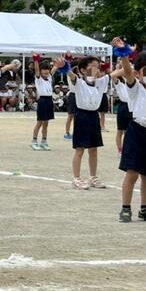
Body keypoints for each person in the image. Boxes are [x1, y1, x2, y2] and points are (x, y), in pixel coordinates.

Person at [112, 39, 146, 222]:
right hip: (136, 132)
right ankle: (125, 209)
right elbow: (127, 71)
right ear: (138, 74)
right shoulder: (136, 88)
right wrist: (124, 54)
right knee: (132, 173)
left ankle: (145, 209)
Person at [62, 54, 109, 190]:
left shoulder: (100, 82)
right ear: (83, 70)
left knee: (93, 149)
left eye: (97, 67)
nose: (96, 69)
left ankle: (93, 177)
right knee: (80, 149)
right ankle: (76, 178)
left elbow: (117, 73)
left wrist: (126, 55)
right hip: (82, 116)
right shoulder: (79, 82)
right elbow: (71, 74)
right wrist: (66, 65)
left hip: (94, 116)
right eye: (92, 67)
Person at [30, 54, 57, 151]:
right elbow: (37, 70)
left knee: (46, 123)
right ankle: (34, 141)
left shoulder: (49, 77)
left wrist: (59, 62)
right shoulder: (38, 79)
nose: (46, 71)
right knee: (40, 122)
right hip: (42, 101)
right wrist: (36, 60)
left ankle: (44, 141)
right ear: (41, 71)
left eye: (47, 70)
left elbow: (55, 67)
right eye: (44, 70)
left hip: (49, 101)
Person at [112, 67, 132, 155]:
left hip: (132, 107)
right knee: (120, 130)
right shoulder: (119, 83)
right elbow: (113, 76)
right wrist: (119, 68)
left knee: (129, 131)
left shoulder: (134, 82)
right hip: (123, 107)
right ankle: (120, 150)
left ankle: (127, 149)